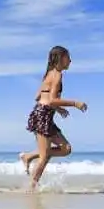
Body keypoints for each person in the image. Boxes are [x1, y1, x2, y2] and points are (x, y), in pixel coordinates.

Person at [19, 46, 87, 191]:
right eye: (68, 57)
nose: (70, 60)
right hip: (42, 116)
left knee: (66, 148)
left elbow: (39, 97)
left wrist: (57, 108)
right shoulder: (56, 75)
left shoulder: (49, 74)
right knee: (44, 157)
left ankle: (29, 156)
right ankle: (31, 188)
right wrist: (75, 103)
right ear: (60, 58)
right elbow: (51, 100)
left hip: (43, 115)